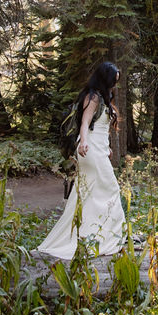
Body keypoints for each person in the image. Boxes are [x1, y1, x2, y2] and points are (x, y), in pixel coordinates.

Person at [37, 62, 125, 259]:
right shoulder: (93, 97)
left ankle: (93, 235)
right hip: (89, 149)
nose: (114, 85)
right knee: (110, 188)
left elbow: (100, 126)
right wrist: (83, 142)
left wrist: (107, 147)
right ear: (105, 78)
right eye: (113, 80)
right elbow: (84, 122)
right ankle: (95, 236)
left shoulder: (103, 98)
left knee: (90, 192)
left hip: (99, 148)